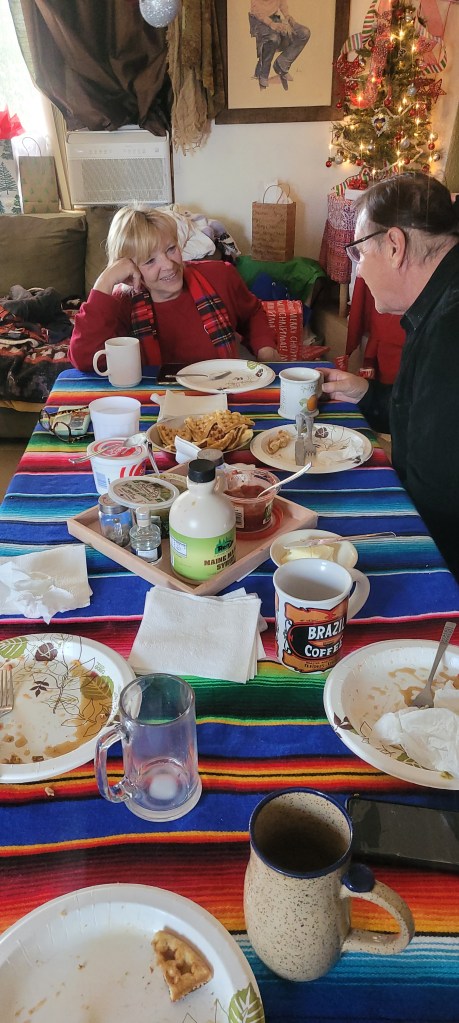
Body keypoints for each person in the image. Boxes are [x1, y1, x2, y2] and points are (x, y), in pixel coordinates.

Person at [321, 173, 459, 580]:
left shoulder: (450, 330)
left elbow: (437, 493)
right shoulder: (439, 300)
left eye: (359, 253)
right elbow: (425, 414)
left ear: (395, 246)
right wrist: (367, 394)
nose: (359, 272)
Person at [69, 206, 279, 371]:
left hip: (222, 392)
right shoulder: (122, 302)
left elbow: (252, 313)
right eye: (150, 261)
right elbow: (85, 360)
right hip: (156, 400)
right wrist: (104, 281)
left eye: (171, 249)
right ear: (130, 269)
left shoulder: (220, 275)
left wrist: (265, 348)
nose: (169, 265)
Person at [249, 1, 310, 91]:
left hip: (275, 19)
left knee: (304, 33)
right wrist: (271, 24)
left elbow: (282, 3)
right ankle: (263, 75)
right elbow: (256, 11)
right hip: (259, 21)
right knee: (273, 39)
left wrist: (287, 17)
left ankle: (282, 64)